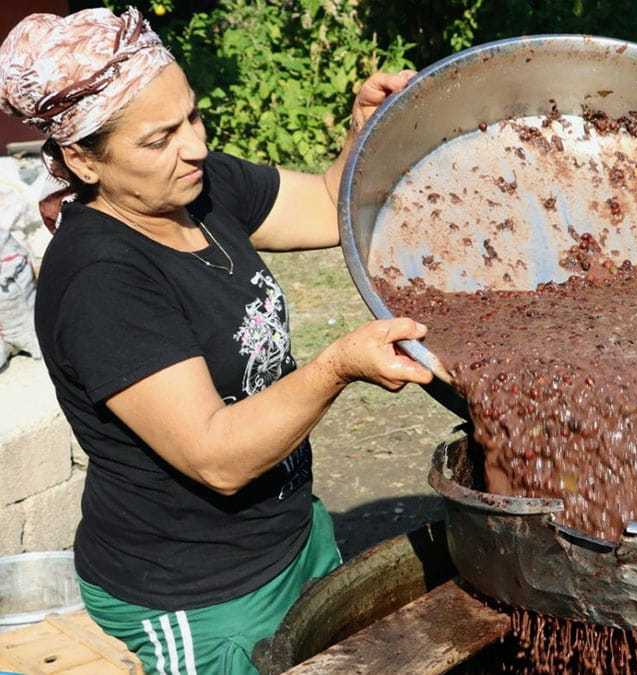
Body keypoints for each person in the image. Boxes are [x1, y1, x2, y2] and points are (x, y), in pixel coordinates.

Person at [0, 8, 433, 674]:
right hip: (200, 595)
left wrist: (363, 132)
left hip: (290, 534)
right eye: (159, 138)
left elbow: (323, 204)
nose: (194, 146)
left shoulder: (197, 188)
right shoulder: (102, 280)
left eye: (193, 117)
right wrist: (337, 365)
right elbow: (216, 456)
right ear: (83, 159)